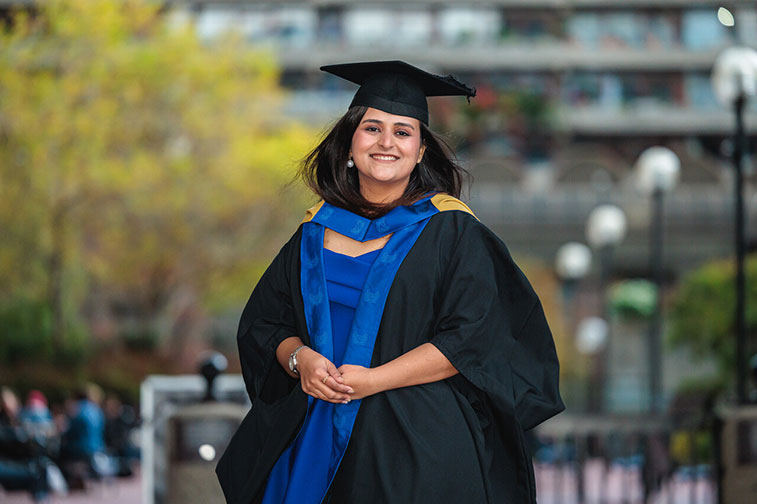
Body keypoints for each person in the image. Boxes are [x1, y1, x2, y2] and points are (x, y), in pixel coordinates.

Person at [216, 60, 564, 504]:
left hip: (417, 441)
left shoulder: (454, 232)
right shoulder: (312, 232)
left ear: (420, 151)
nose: (386, 143)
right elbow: (266, 325)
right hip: (314, 429)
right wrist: (300, 361)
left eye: (403, 132)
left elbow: (470, 339)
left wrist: (373, 380)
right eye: (372, 128)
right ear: (349, 143)